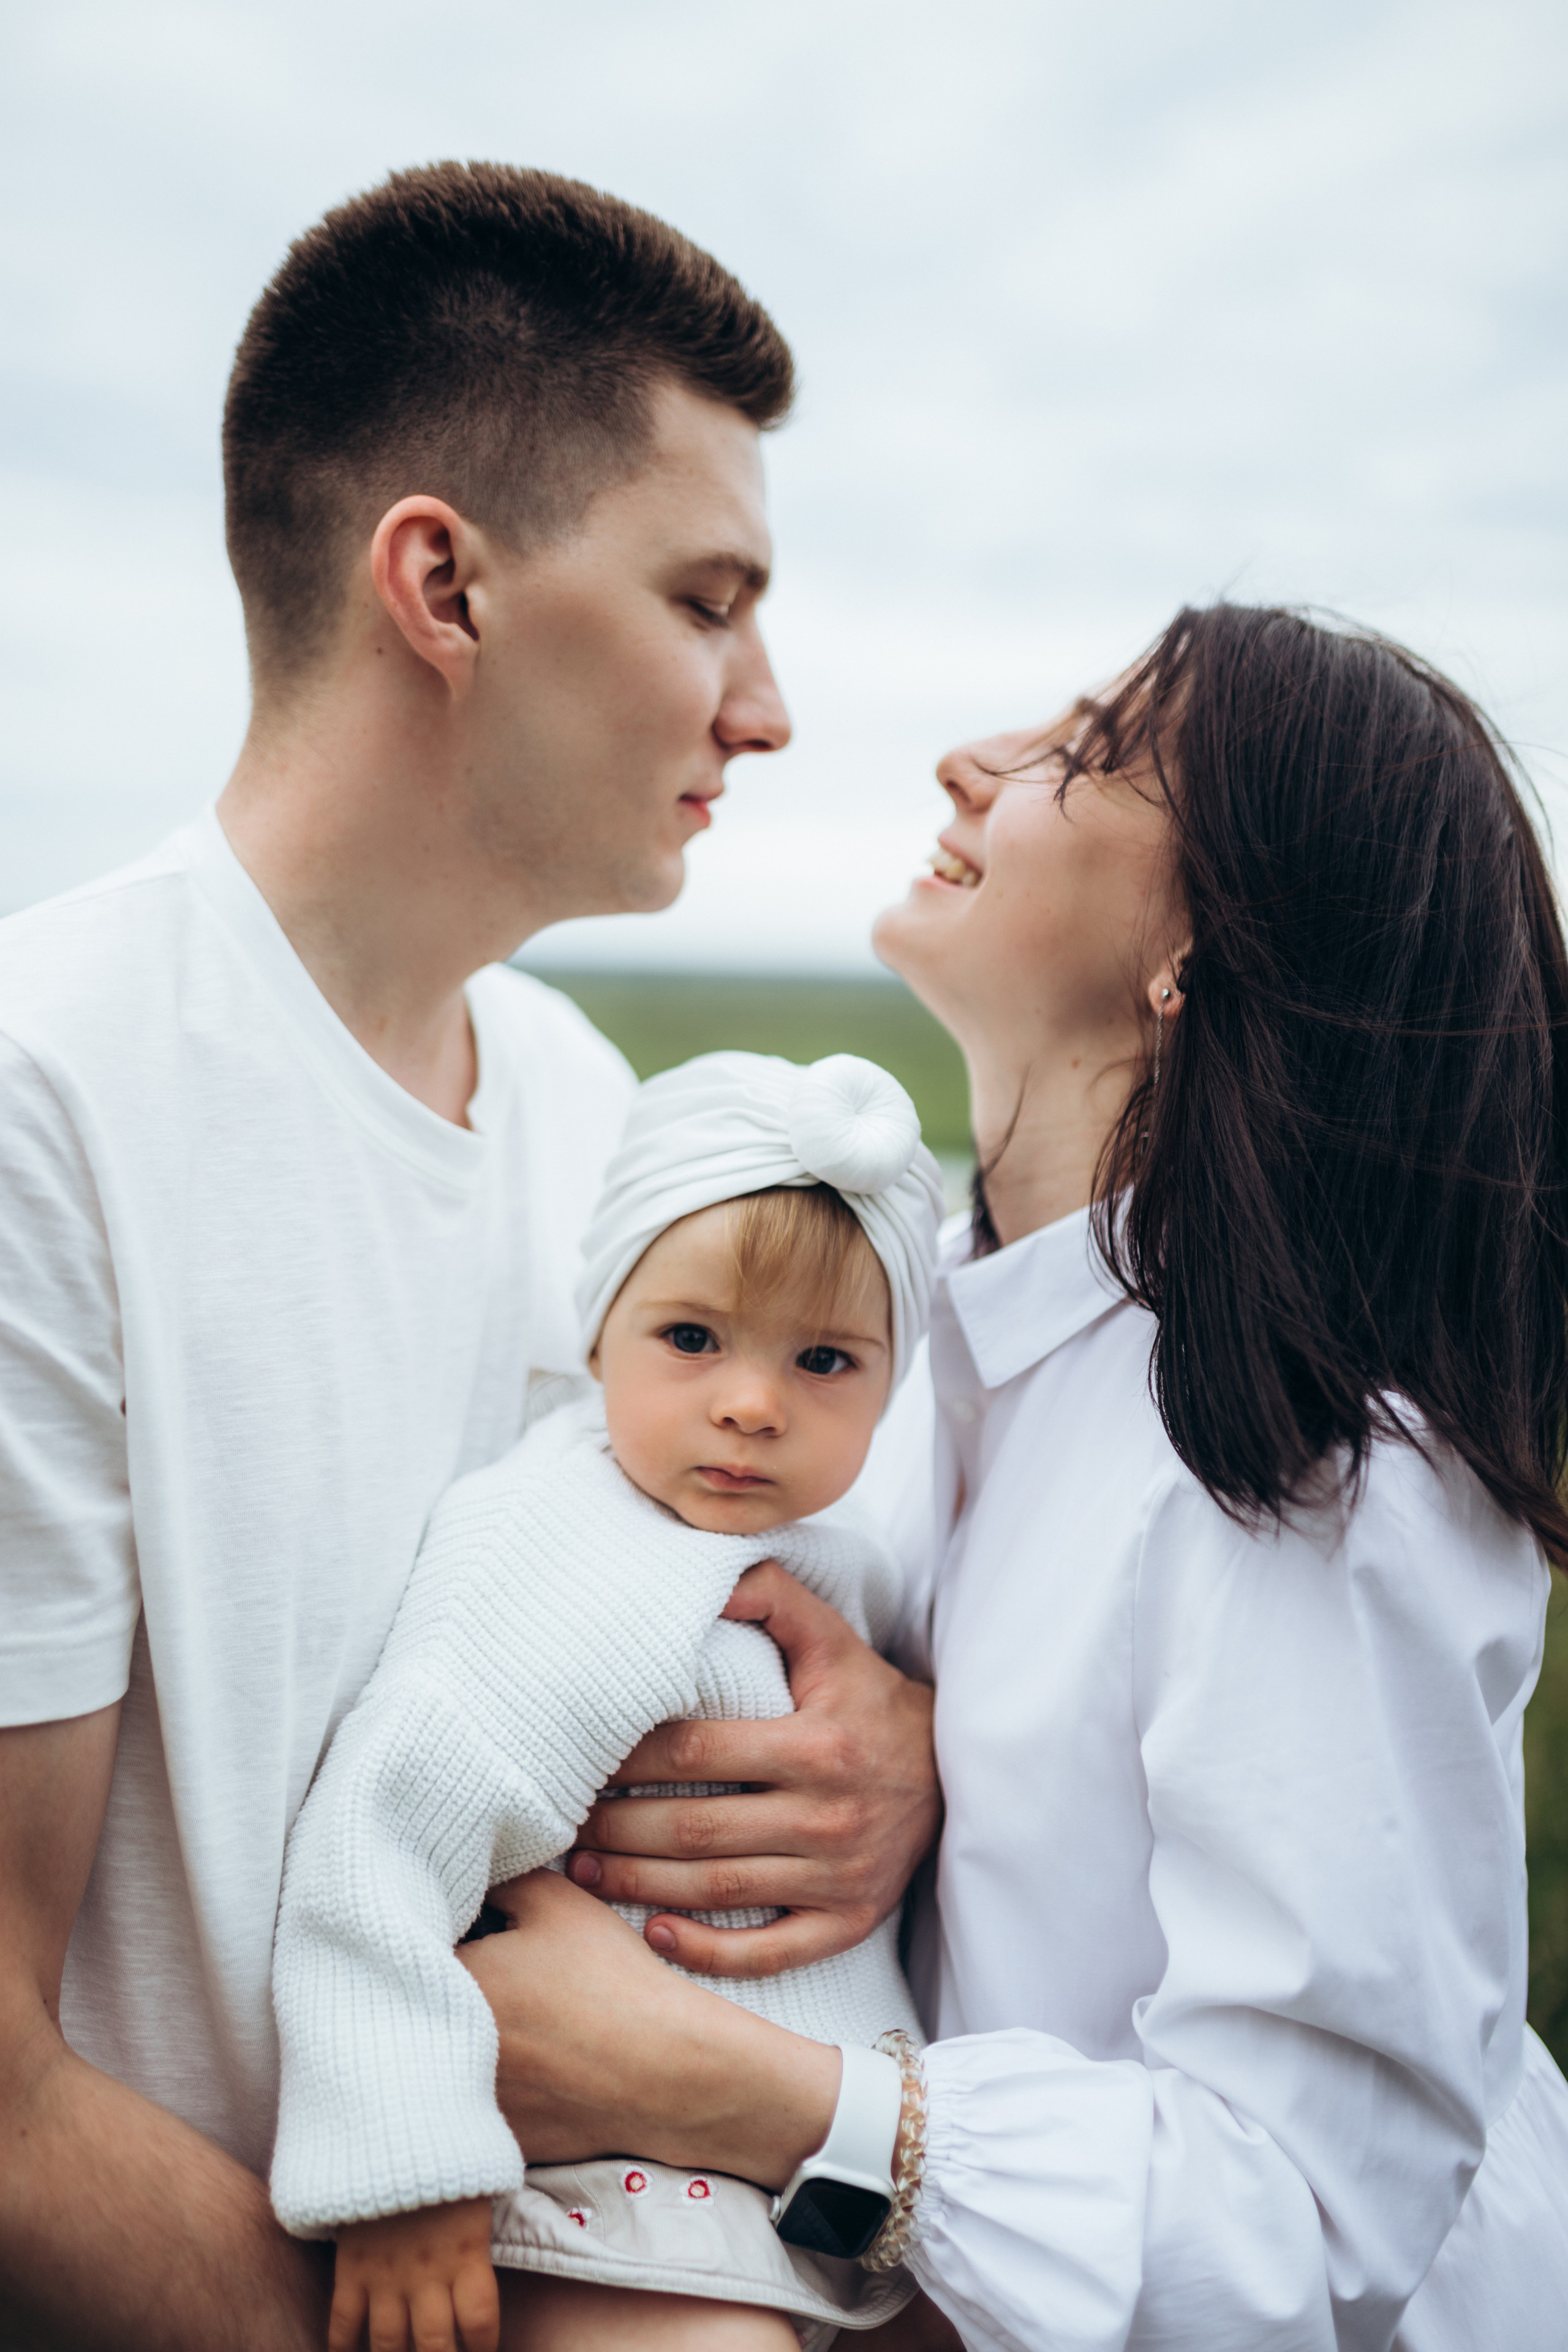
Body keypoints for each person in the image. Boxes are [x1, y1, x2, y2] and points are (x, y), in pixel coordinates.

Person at [0, 164, 940, 2351]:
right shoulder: (44, 1100)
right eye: (709, 600)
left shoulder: (595, 1112)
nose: (769, 704)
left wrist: (887, 1749)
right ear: (445, 584)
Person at [463, 604, 1568, 2351]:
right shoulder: (882, 1338)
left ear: (1201, 945)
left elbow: (1300, 2222)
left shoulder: (1319, 1468)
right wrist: (922, 1757)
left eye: (1085, 751)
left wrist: (724, 2083)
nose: (967, 764)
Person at [271, 1050, 943, 2352]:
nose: (749, 1404)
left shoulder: (836, 1554)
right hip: (619, 2198)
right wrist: (403, 2165)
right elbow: (380, 1835)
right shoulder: (574, 1540)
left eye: (824, 1360)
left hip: (778, 2188)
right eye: (690, 1338)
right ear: (597, 1332)